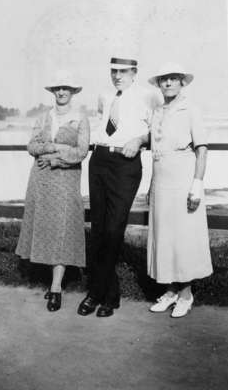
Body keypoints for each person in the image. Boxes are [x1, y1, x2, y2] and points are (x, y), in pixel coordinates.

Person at [77, 57, 158, 318]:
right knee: (99, 228)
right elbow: (103, 123)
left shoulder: (148, 96)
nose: (117, 76)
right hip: (100, 159)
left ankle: (100, 294)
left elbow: (156, 130)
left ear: (134, 72)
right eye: (114, 71)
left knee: (114, 229)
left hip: (126, 163)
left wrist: (139, 139)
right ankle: (103, 294)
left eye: (123, 71)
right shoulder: (104, 95)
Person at [16, 70, 90, 312]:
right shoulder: (44, 116)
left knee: (62, 228)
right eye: (57, 88)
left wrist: (57, 159)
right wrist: (52, 146)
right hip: (41, 179)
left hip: (66, 179)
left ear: (72, 92)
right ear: (53, 92)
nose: (61, 92)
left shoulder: (80, 117)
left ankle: (56, 287)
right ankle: (51, 280)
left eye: (66, 88)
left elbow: (81, 151)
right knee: (46, 226)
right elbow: (31, 145)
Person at [147, 63, 213, 318]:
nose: (168, 83)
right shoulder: (157, 111)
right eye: (164, 79)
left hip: (184, 178)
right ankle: (171, 290)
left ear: (182, 83)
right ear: (159, 84)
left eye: (174, 79)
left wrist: (197, 183)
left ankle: (186, 294)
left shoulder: (191, 110)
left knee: (183, 236)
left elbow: (202, 149)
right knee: (165, 235)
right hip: (161, 178)